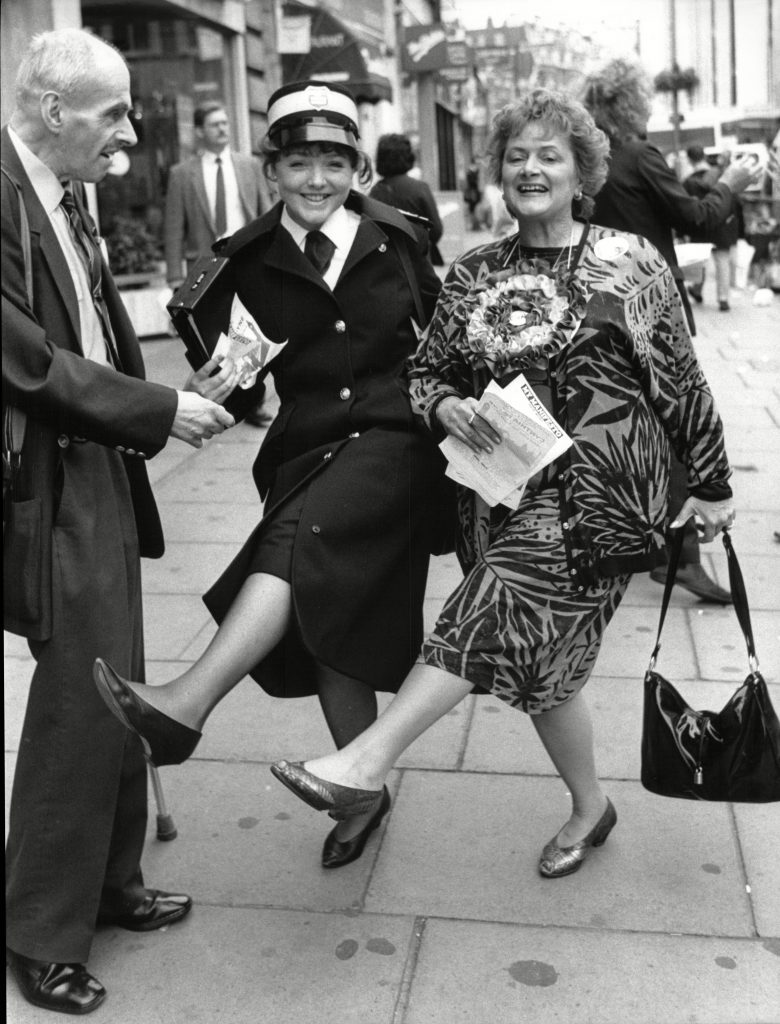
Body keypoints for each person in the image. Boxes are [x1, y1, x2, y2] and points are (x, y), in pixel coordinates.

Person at [264, 89, 736, 877]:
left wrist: (714, 487)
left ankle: (364, 763)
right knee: (549, 678)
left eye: (549, 155)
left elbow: (682, 384)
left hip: (603, 502)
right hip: (500, 497)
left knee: (487, 609)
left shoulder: (631, 261)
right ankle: (592, 807)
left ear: (581, 171)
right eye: (516, 156)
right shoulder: (478, 269)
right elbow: (427, 372)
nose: (530, 169)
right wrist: (445, 403)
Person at [92, 81, 443, 870]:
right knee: (327, 628)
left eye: (333, 162)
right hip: (307, 445)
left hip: (395, 444)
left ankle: (188, 702)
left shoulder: (400, 236)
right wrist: (219, 386)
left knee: (301, 534)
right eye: (298, 164)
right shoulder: (243, 261)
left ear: (356, 166)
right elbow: (247, 385)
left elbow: (447, 342)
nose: (316, 180)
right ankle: (361, 787)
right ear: (271, 169)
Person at [2, 29, 235, 1015]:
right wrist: (160, 413)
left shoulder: (60, 192)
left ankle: (110, 884)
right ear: (56, 113)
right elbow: (27, 359)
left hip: (95, 466)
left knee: (117, 677)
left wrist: (183, 391)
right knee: (76, 694)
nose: (129, 136)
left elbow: (94, 327)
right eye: (113, 115)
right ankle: (38, 930)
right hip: (50, 477)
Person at [582, 58, 758, 604]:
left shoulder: (593, 159)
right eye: (646, 97)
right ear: (629, 103)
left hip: (595, 306)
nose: (654, 105)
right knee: (679, 426)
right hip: (649, 307)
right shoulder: (638, 154)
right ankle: (681, 558)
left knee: (622, 424)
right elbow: (698, 217)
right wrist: (731, 184)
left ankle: (633, 541)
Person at [164, 100, 273, 425]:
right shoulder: (182, 174)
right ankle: (227, 398)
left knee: (252, 334)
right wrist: (174, 279)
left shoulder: (249, 166)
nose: (223, 128)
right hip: (209, 272)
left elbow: (267, 213)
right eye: (215, 124)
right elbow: (173, 229)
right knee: (214, 340)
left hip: (248, 262)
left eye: (225, 122)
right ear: (199, 132)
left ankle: (254, 399)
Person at [369, 133, 444, 265]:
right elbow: (436, 230)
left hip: (387, 265)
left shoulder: (375, 192)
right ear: (408, 156)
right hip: (419, 262)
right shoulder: (420, 188)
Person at [683, 145, 741, 311]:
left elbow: (686, 207)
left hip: (701, 225)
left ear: (689, 159)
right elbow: (733, 201)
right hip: (722, 224)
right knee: (722, 261)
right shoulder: (722, 178)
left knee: (700, 260)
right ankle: (723, 299)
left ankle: (696, 289)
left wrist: (684, 230)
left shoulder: (689, 182)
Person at [463, 159, 482, 230]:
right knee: (473, 209)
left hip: (473, 192)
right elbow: (472, 183)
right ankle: (475, 225)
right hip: (473, 192)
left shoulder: (470, 172)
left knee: (473, 209)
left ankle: (475, 224)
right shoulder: (473, 172)